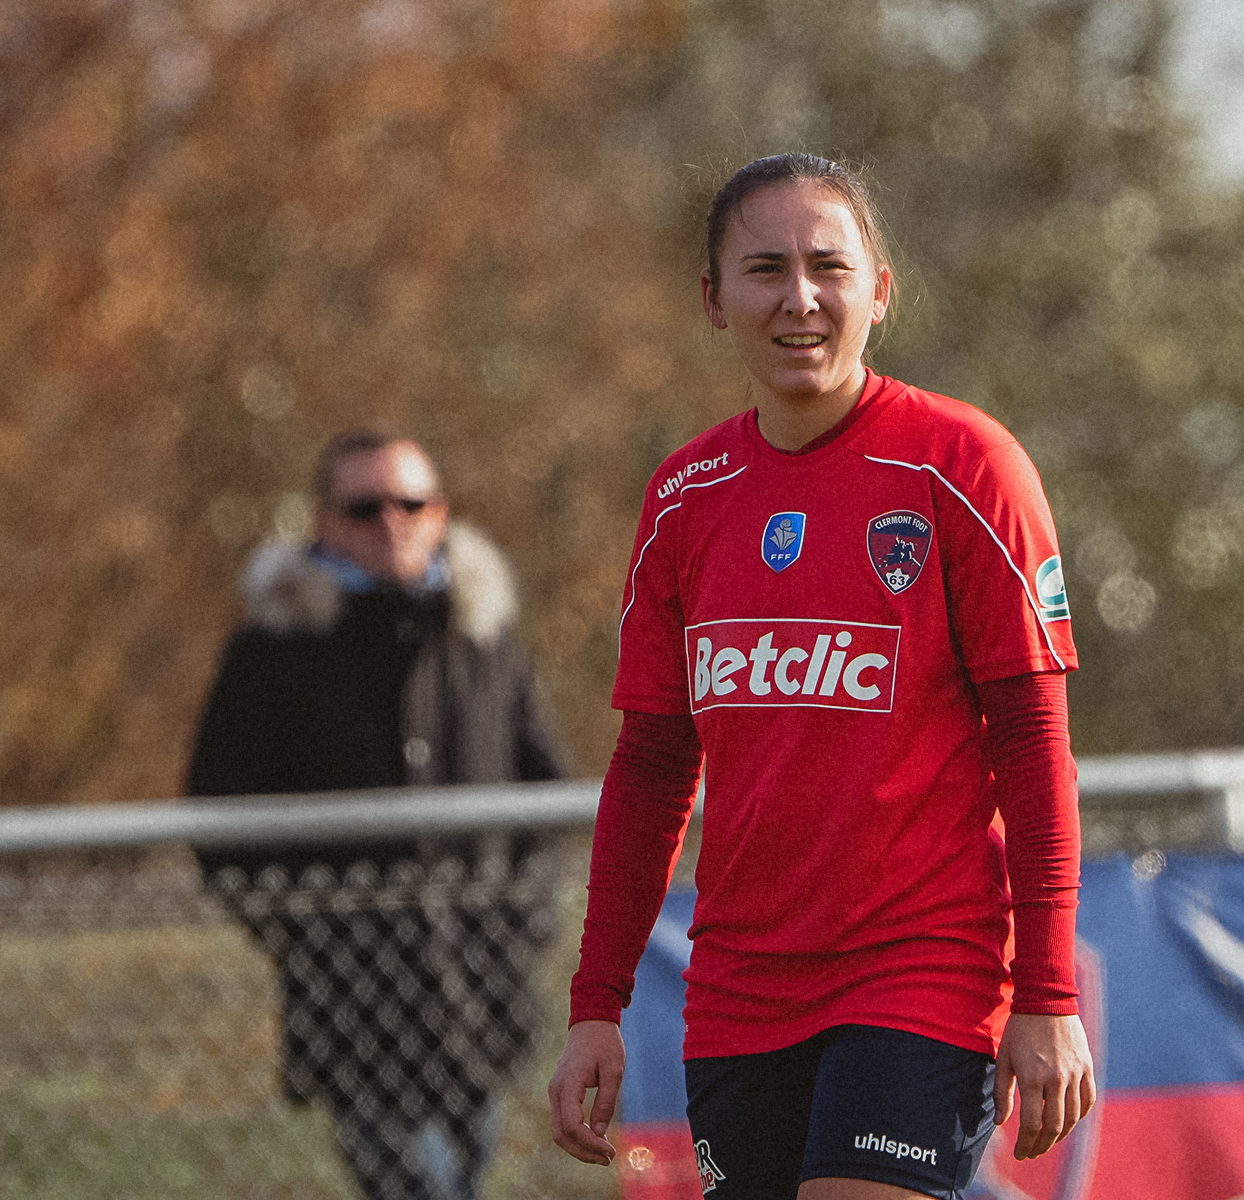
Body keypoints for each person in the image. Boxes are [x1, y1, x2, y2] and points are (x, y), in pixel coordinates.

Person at [548, 154, 1093, 1200]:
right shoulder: (683, 497)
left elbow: (1034, 748)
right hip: (739, 992)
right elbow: (655, 766)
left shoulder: (965, 468)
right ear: (714, 301)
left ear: (878, 290)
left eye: (827, 267)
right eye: (764, 269)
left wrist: (1049, 992)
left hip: (919, 971)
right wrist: (596, 1004)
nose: (799, 297)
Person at [188, 429, 564, 1200]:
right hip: (352, 1005)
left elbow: (547, 797)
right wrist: (306, 933)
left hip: (479, 992)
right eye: (364, 506)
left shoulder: (484, 639)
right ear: (324, 522)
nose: (390, 520)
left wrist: (518, 923)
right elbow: (218, 818)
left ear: (441, 513)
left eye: (410, 501)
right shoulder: (271, 653)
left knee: (460, 1180)